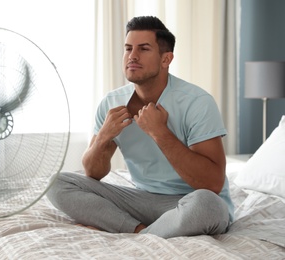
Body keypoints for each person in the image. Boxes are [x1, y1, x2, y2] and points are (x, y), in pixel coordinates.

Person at [47, 15, 234, 239]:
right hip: (141, 201)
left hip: (192, 200)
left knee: (207, 205)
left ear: (166, 59)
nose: (132, 56)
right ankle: (139, 231)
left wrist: (160, 133)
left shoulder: (197, 102)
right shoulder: (111, 102)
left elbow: (212, 183)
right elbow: (93, 173)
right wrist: (103, 137)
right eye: (128, 49)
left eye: (143, 49)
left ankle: (133, 231)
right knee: (57, 183)